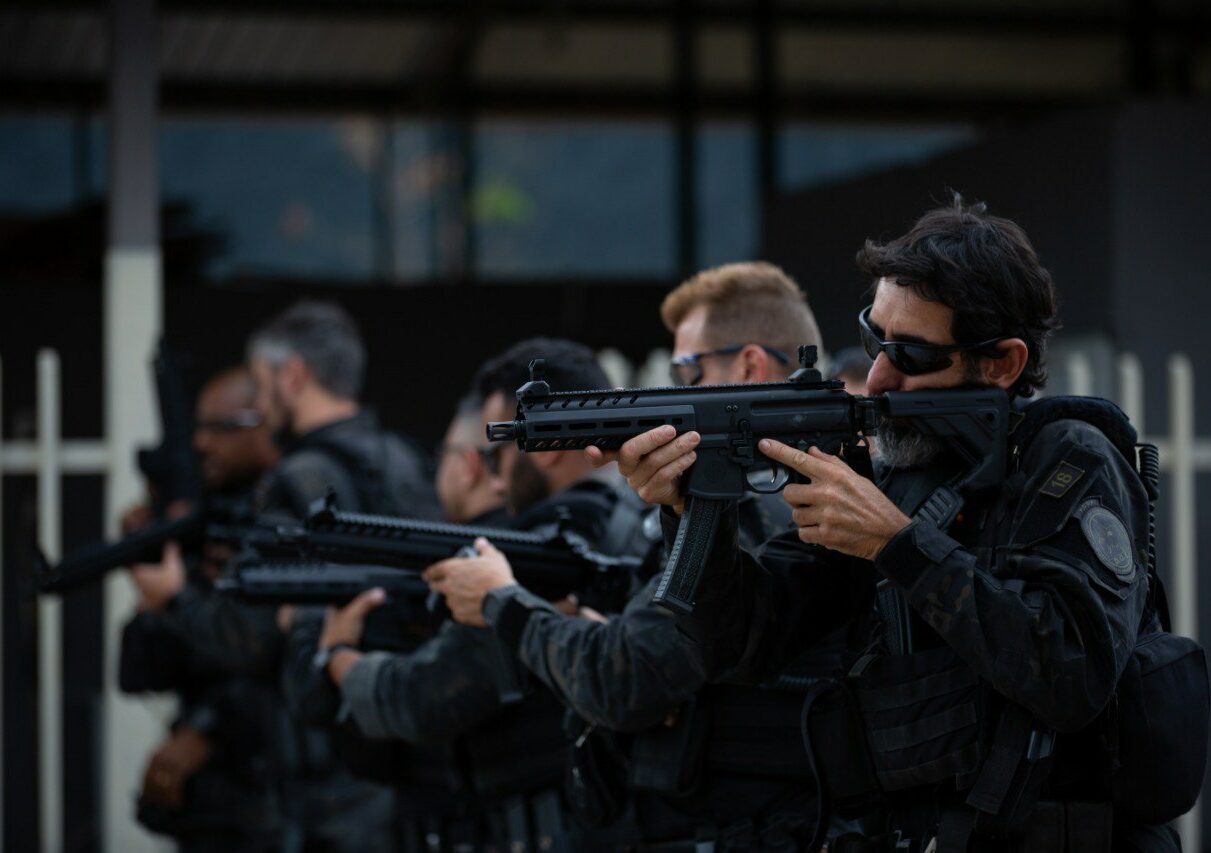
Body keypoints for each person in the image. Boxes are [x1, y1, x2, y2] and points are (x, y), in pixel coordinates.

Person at [605, 197, 1175, 852]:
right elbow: (745, 640)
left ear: (1001, 363)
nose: (875, 378)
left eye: (910, 354)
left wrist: (898, 545)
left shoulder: (1068, 461)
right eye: (875, 338)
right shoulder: (897, 473)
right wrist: (685, 507)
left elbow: (1069, 671)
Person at [431, 262, 846, 850]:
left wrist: (503, 604)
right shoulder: (760, 503)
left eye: (686, 370)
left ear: (750, 366)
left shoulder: (762, 508)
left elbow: (629, 676)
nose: (675, 391)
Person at [309, 338, 635, 852]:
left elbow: (427, 697)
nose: (496, 478)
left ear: (548, 449)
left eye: (500, 449)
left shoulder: (550, 551)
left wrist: (337, 657)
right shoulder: (637, 524)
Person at [119, 366, 281, 853]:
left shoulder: (286, 514)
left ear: (265, 423)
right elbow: (137, 673)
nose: (203, 443)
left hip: (279, 790)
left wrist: (206, 732)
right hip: (216, 803)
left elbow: (273, 651)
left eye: (220, 428)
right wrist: (159, 580)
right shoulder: (202, 517)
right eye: (199, 429)